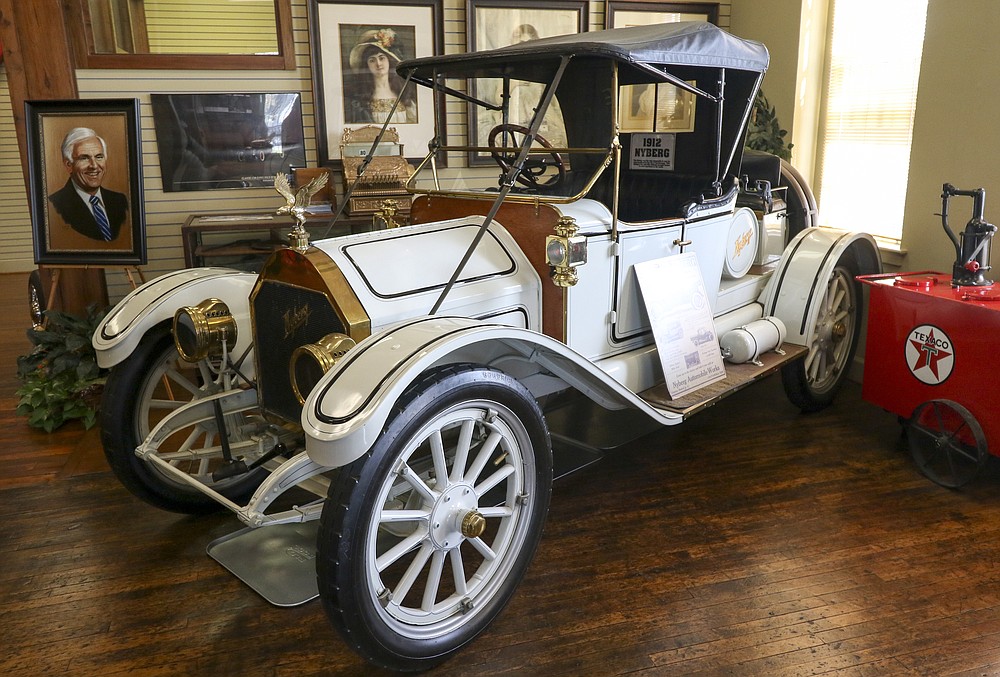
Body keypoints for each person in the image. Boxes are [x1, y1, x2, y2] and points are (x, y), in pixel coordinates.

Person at [48, 128, 129, 242]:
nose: (94, 166)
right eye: (84, 158)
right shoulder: (53, 207)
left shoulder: (121, 201)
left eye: (99, 157)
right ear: (69, 165)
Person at [346, 28, 417, 124]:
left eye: (381, 58)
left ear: (389, 61)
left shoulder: (403, 95)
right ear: (366, 65)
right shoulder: (361, 102)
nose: (378, 64)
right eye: (372, 60)